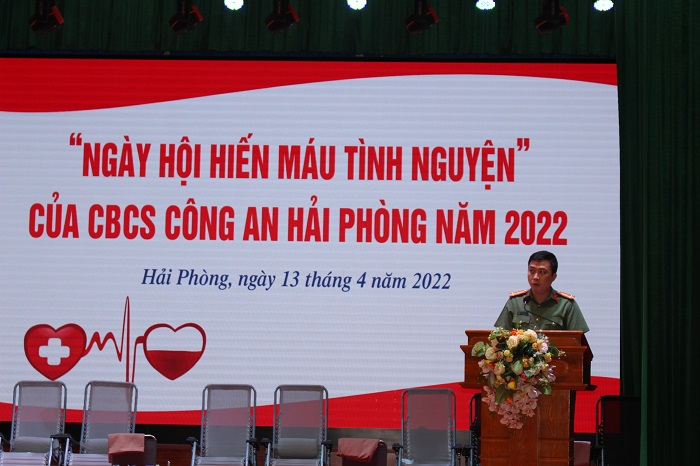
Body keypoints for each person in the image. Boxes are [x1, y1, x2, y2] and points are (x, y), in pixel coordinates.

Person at [494, 250, 589, 332]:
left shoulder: (566, 305)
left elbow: (577, 340)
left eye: (542, 272)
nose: (535, 277)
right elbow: (500, 338)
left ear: (553, 277)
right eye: (531, 271)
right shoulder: (515, 302)